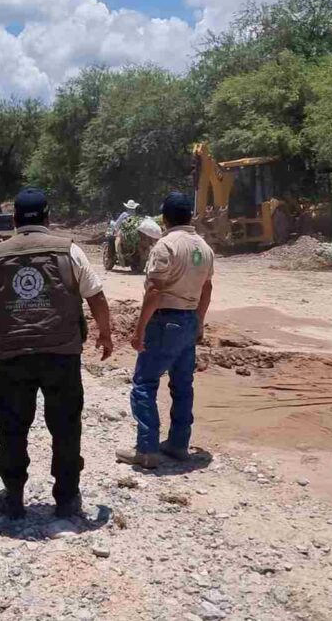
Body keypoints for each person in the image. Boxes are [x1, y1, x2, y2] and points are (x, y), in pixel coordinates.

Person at [0, 187, 114, 519]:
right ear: (48, 217)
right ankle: (67, 498)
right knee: (65, 426)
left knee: (12, 427)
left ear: (14, 219)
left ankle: (13, 496)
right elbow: (96, 296)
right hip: (61, 354)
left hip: (12, 355)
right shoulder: (69, 250)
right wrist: (105, 335)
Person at [117, 191, 215, 469]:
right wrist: (199, 322)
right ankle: (179, 445)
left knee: (144, 384)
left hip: (165, 321)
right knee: (182, 385)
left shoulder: (165, 246)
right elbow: (207, 289)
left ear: (166, 218)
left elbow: (155, 291)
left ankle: (147, 450)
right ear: (190, 216)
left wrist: (139, 329)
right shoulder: (205, 248)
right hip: (189, 320)